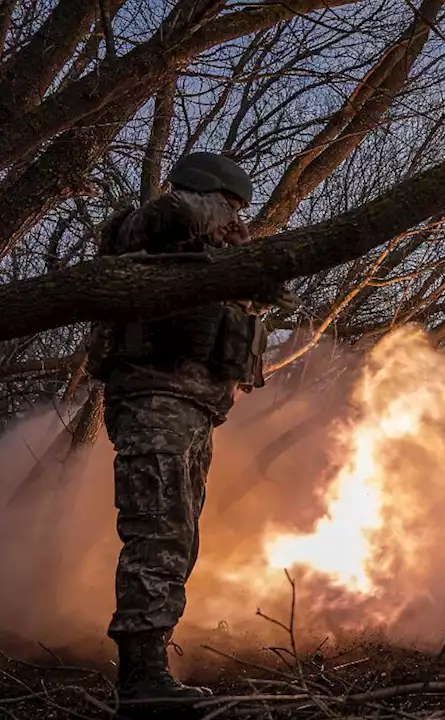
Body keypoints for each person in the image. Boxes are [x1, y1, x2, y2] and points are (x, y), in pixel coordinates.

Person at [86, 152, 294, 701]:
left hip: (193, 410)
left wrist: (252, 271)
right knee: (157, 531)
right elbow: (168, 217)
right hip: (154, 401)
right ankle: (139, 679)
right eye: (227, 207)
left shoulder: (210, 261)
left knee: (178, 536)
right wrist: (211, 216)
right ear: (204, 195)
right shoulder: (140, 229)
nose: (234, 221)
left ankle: (150, 666)